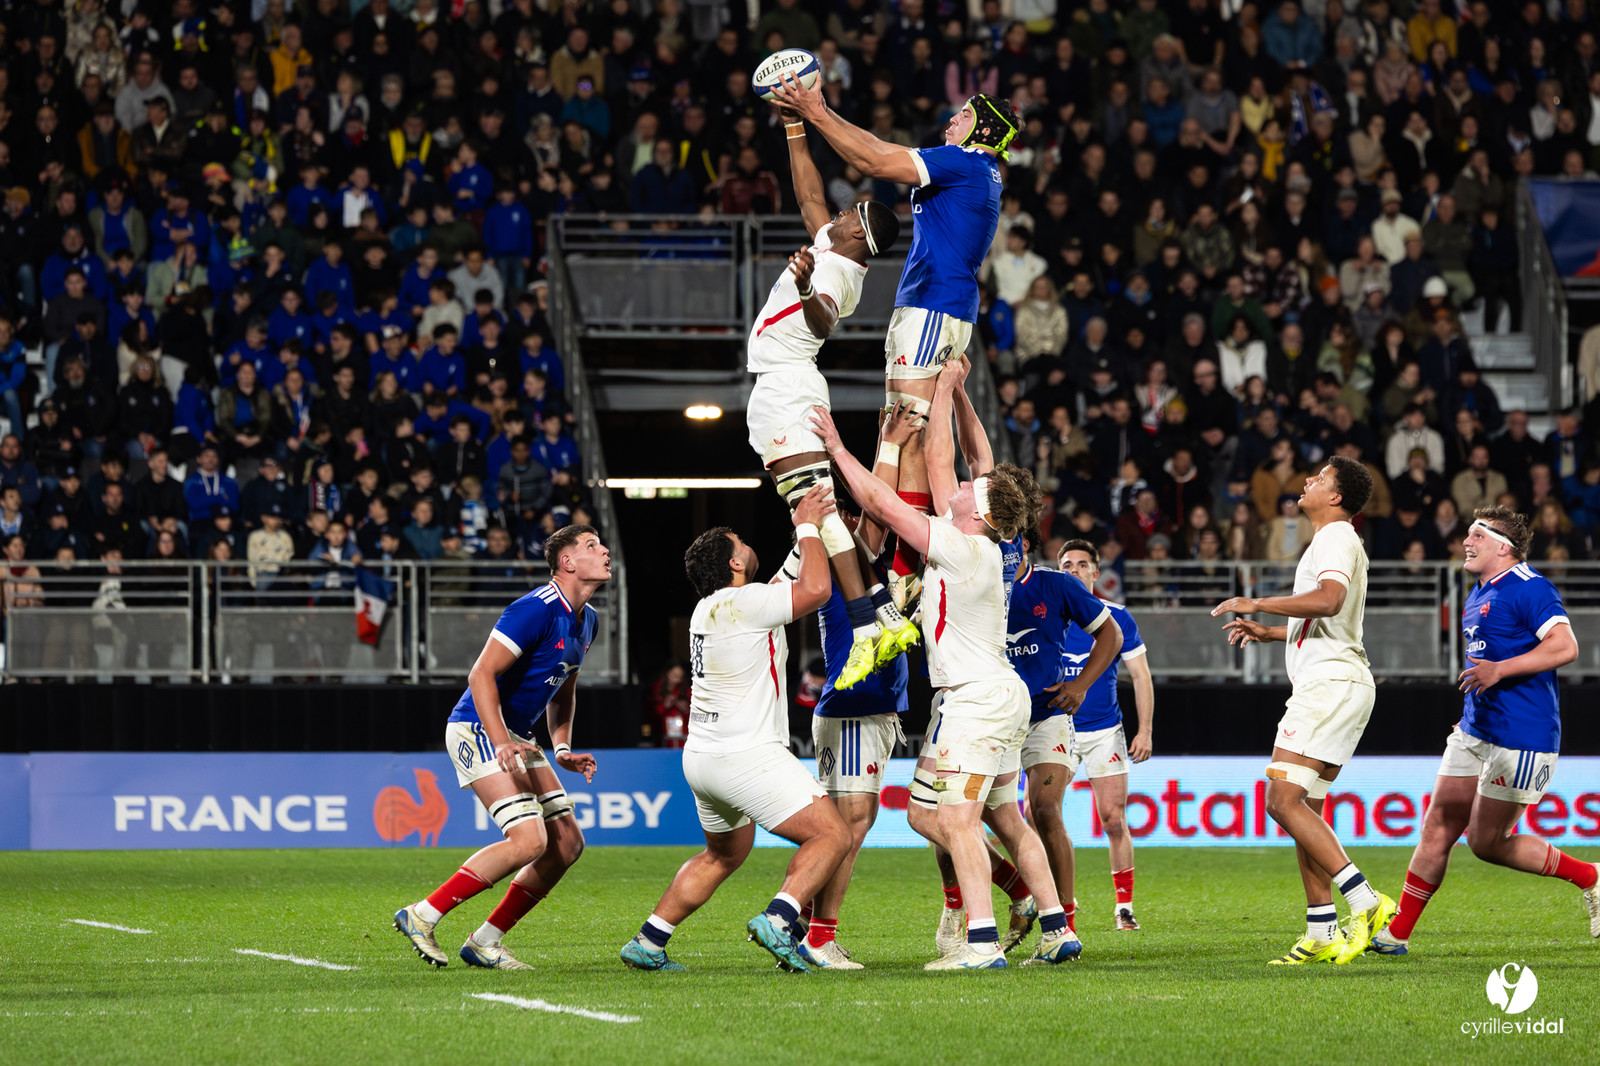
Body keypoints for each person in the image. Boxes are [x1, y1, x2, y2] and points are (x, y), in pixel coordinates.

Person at [808, 361, 1080, 969]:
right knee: (954, 815)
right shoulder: (991, 541)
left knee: (956, 820)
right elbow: (957, 462)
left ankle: (979, 941)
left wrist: (836, 448)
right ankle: (1057, 925)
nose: (954, 486)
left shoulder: (962, 545)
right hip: (989, 694)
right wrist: (950, 391)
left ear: (979, 511)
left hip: (976, 696)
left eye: (966, 491)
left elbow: (879, 499)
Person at [773, 75, 1019, 609]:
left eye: (963, 114)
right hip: (943, 308)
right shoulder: (980, 171)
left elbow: (877, 161)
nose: (952, 119)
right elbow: (826, 190)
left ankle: (902, 571)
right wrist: (803, 123)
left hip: (932, 307)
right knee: (910, 435)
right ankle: (907, 566)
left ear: (983, 128)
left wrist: (814, 110)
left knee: (905, 433)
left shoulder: (967, 161)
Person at [620, 487, 850, 974]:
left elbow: (784, 583)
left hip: (702, 759)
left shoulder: (714, 606)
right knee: (832, 835)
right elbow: (816, 590)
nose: (746, 543)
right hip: (748, 755)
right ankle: (780, 916)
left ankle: (649, 940)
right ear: (734, 565)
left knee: (722, 854)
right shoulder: (746, 603)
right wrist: (808, 527)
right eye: (739, 542)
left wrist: (802, 529)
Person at [1370, 507, 1597, 954]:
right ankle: (1396, 935)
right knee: (1436, 825)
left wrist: (1500, 672)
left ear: (1503, 547)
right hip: (1476, 730)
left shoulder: (1530, 587)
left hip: (1523, 736)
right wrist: (1474, 705)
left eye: (1476, 535)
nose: (1465, 542)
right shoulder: (1477, 593)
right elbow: (1485, 668)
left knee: (1486, 843)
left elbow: (1565, 646)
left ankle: (1590, 876)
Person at [392, 524, 611, 971]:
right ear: (566, 562)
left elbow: (564, 687)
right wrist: (499, 741)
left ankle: (484, 941)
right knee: (529, 839)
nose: (604, 550)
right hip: (477, 727)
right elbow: (480, 675)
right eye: (591, 545)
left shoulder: (587, 620)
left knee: (567, 844)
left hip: (518, 736)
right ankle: (422, 914)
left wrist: (563, 746)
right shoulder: (534, 608)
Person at [744, 104, 906, 691]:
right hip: (781, 390)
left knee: (817, 512)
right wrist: (793, 126)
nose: (832, 213)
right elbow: (808, 192)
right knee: (819, 514)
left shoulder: (837, 273)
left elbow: (822, 320)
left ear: (858, 231)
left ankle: (867, 625)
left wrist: (809, 283)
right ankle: (881, 609)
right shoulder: (833, 245)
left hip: (789, 384)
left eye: (846, 213)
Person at [1211, 455, 1392, 965]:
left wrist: (1259, 603)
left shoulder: (1335, 536)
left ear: (1335, 497)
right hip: (1340, 680)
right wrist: (1271, 633)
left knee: (1282, 801)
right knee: (1303, 809)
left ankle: (1365, 900)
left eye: (1320, 478)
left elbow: (1330, 600)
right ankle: (1321, 930)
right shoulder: (1334, 539)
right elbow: (1330, 618)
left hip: (1329, 685)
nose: (1309, 481)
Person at [796, 405, 923, 969]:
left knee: (851, 824)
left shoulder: (864, 568)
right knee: (849, 826)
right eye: (847, 521)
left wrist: (887, 441)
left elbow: (879, 503)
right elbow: (877, 501)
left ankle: (808, 929)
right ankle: (816, 936)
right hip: (853, 708)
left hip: (866, 710)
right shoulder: (843, 563)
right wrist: (887, 443)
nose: (859, 525)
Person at [1004, 531, 1124, 945]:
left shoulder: (1055, 585)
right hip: (994, 720)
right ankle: (969, 912)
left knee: (1044, 811)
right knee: (962, 817)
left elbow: (1113, 636)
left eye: (1010, 541)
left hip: (1046, 716)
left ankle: (1064, 923)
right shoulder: (978, 583)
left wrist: (1081, 686)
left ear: (1021, 546)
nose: (1003, 550)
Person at [1049, 538, 1154, 932]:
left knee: (1113, 818)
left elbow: (1141, 676)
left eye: (1081, 564)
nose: (1073, 570)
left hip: (1103, 731)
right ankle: (1061, 906)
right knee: (1040, 816)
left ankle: (1123, 907)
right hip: (1055, 729)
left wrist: (1145, 730)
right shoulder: (1048, 614)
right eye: (1067, 565)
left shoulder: (1117, 617)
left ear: (1096, 572)